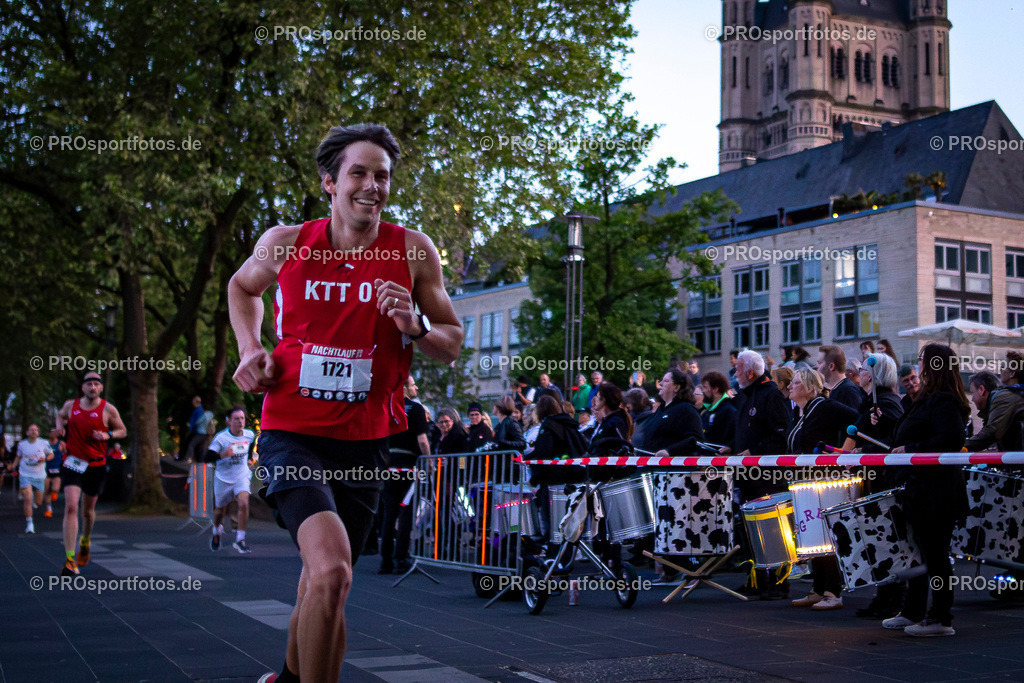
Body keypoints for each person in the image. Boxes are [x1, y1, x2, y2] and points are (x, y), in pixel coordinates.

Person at [229, 123, 462, 683]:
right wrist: (249, 347)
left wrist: (414, 325)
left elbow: (450, 343)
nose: (372, 185)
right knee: (332, 572)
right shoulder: (286, 241)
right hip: (292, 431)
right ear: (330, 183)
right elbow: (242, 288)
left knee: (321, 582)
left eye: (382, 175)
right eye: (358, 172)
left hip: (366, 440)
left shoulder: (412, 250)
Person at [883, 344, 969, 637]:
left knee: (935, 556)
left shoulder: (943, 400)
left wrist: (911, 449)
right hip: (922, 488)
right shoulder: (927, 398)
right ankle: (914, 611)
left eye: (920, 359)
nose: (916, 364)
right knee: (920, 554)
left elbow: (951, 438)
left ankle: (940, 618)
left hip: (937, 491)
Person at [785, 369, 858, 611]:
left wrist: (843, 452)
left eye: (796, 383)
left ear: (810, 387)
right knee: (812, 535)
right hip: (806, 482)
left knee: (825, 536)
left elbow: (857, 421)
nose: (790, 387)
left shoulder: (825, 407)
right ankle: (818, 588)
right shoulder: (801, 413)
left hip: (824, 480)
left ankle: (833, 591)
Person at [842, 353, 905, 619]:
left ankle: (893, 598)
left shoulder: (886, 404)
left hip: (885, 481)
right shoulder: (871, 403)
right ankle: (884, 595)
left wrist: (863, 450)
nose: (858, 372)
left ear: (872, 374)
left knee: (887, 538)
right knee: (879, 539)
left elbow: (894, 442)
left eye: (862, 368)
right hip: (876, 479)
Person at [55, 372, 128, 576]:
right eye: (89, 384)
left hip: (96, 466)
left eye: (96, 384)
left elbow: (123, 430)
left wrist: (108, 434)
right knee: (71, 507)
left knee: (87, 512)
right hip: (73, 463)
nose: (92, 387)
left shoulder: (108, 409)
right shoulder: (71, 406)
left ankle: (85, 539)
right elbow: (59, 416)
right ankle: (70, 559)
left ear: (101, 388)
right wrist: (60, 429)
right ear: (83, 388)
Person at [379, 376, 430, 575]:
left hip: (389, 467)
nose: (415, 386)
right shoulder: (416, 410)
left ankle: (385, 561)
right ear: (406, 388)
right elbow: (423, 441)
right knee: (406, 513)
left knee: (389, 514)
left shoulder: (387, 408)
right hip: (409, 468)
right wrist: (430, 461)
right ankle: (400, 558)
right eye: (413, 384)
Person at [204, 406, 257, 553]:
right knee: (220, 510)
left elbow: (250, 447)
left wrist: (251, 459)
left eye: (242, 418)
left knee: (244, 503)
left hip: (242, 475)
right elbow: (207, 457)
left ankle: (240, 539)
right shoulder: (221, 439)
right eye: (236, 419)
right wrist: (222, 455)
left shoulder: (249, 434)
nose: (240, 422)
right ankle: (216, 530)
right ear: (228, 421)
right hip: (223, 478)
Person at [648, 368, 704, 457]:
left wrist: (669, 451)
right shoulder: (661, 409)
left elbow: (696, 440)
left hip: (673, 468)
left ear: (676, 387)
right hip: (653, 465)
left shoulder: (686, 409)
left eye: (666, 381)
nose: (660, 383)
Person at [966, 370, 1024, 451]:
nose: (972, 398)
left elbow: (991, 432)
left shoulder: (1002, 399)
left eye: (973, 393)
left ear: (981, 389)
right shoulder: (999, 400)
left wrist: (963, 447)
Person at [10, 425, 53, 533]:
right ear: (27, 432)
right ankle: (29, 524)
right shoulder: (22, 444)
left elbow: (51, 454)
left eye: (36, 430)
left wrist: (45, 458)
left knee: (38, 502)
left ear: (38, 432)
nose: (34, 431)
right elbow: (18, 456)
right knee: (28, 498)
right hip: (25, 474)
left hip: (39, 476)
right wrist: (13, 465)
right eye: (31, 430)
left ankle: (35, 501)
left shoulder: (44, 443)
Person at [817, 345, 863, 411]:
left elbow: (855, 419)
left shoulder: (848, 391)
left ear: (831, 366)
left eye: (819, 362)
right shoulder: (837, 389)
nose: (816, 366)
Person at [700, 370, 737, 448]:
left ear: (715, 389)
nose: (703, 391)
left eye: (705, 387)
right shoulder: (707, 412)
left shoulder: (728, 411)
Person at [183, 395, 212, 462]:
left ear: (195, 402)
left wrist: (191, 425)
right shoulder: (204, 411)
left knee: (191, 444)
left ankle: (188, 458)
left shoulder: (198, 410)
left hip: (200, 432)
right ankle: (202, 462)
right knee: (201, 448)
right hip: (204, 433)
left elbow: (198, 421)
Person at [44, 428, 65, 518]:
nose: (52, 434)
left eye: (54, 433)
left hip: (57, 469)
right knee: (47, 490)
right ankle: (49, 509)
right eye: (51, 432)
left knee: (55, 488)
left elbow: (67, 453)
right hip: (47, 469)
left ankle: (55, 492)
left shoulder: (61, 444)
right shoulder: (45, 443)